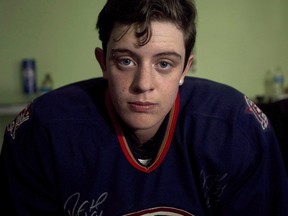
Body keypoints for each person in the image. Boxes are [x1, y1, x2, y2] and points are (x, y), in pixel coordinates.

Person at [1, 0, 288, 215]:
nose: (143, 84)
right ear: (103, 63)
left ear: (185, 68)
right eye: (126, 60)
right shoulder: (42, 133)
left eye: (164, 64)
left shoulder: (236, 130)